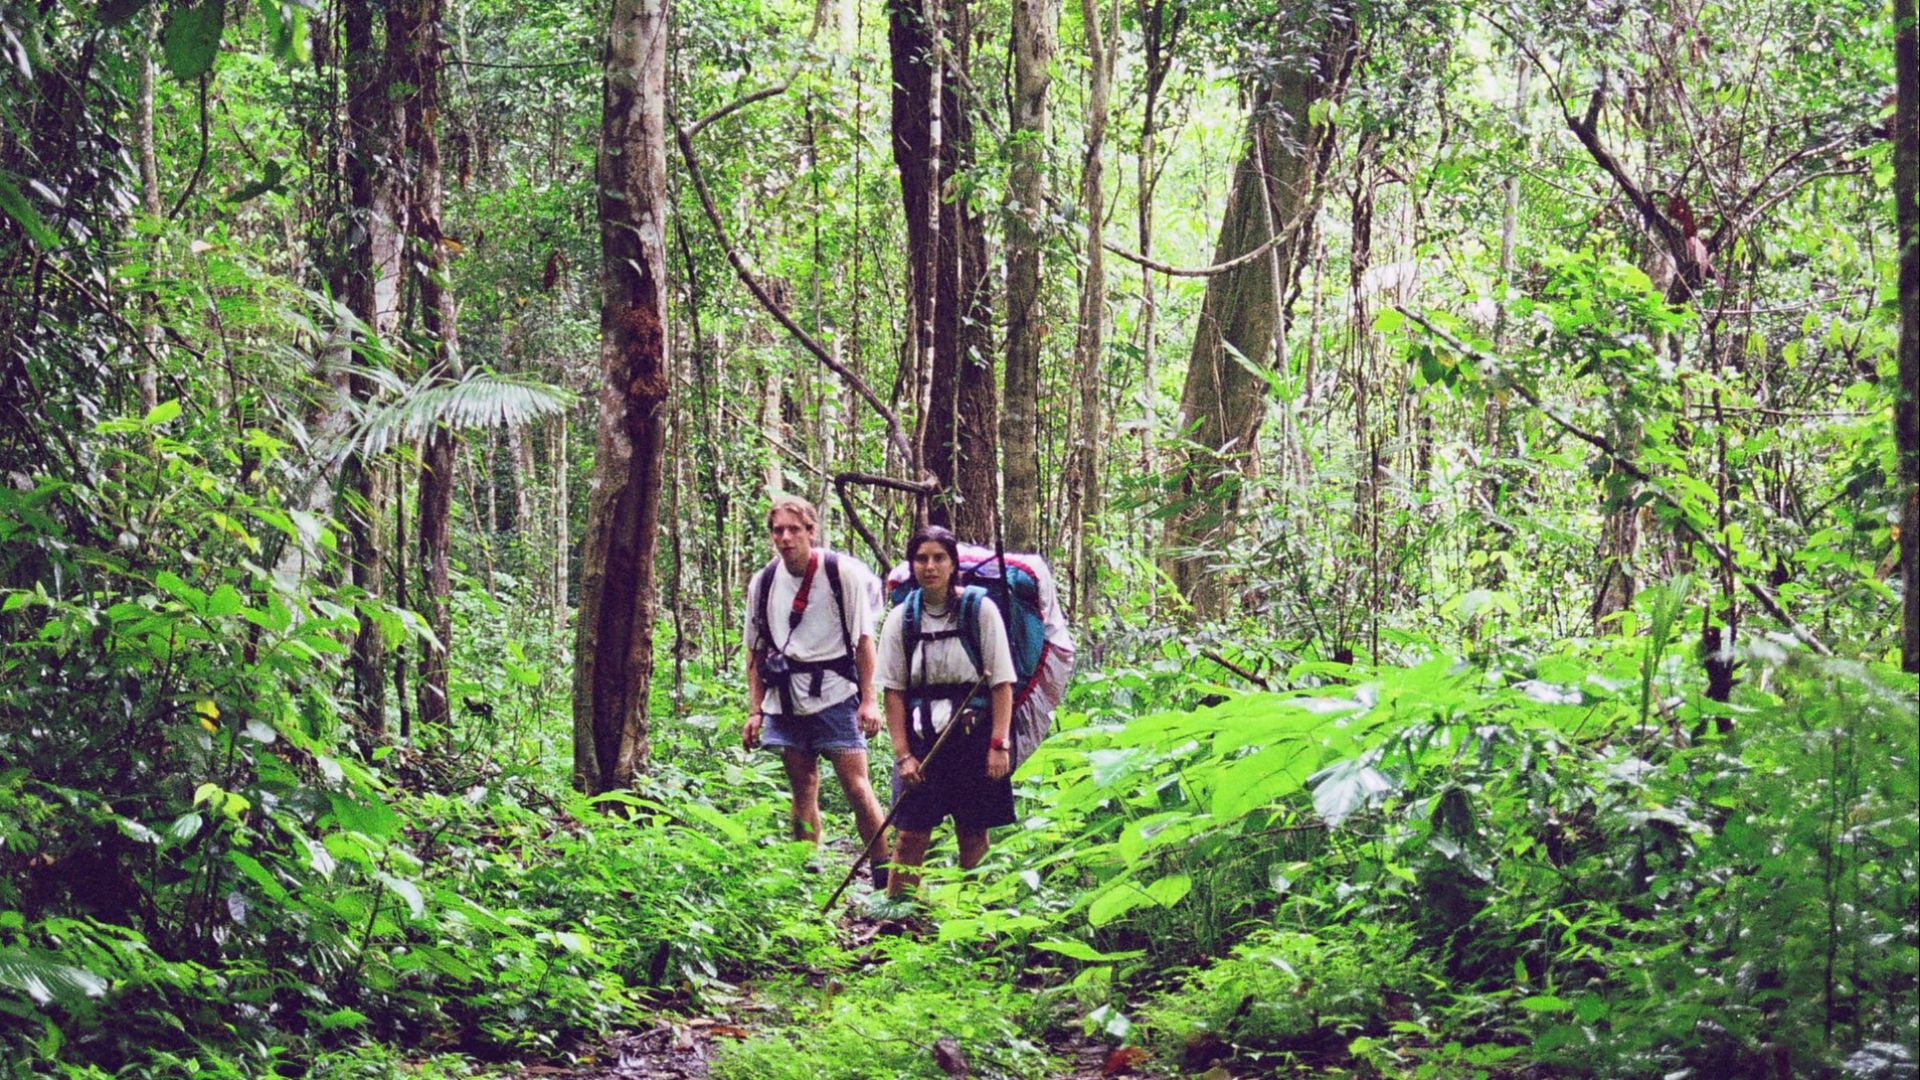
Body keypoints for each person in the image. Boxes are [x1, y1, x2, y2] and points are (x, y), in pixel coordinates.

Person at [743, 497, 887, 881]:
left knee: (857, 788)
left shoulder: (841, 575)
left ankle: (884, 872)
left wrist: (870, 700)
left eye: (794, 529)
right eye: (778, 530)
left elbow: (863, 641)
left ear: (811, 531)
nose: (785, 538)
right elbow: (755, 650)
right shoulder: (764, 582)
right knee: (802, 787)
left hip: (838, 696)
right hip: (786, 699)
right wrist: (755, 709)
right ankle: (806, 871)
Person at [878, 524, 1016, 897]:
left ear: (953, 564)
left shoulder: (980, 611)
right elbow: (894, 693)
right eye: (921, 559)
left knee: (973, 833)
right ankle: (897, 918)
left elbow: (1002, 683)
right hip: (922, 745)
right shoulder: (901, 620)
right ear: (912, 566)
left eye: (939, 558)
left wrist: (998, 745)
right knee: (909, 835)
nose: (930, 566)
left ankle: (977, 923)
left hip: (974, 741)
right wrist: (903, 756)